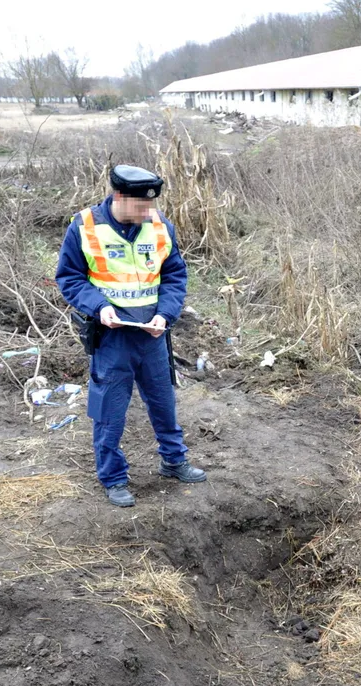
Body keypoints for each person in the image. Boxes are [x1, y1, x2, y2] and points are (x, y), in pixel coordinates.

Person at [55, 165, 207, 507]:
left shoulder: (159, 226)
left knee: (163, 402)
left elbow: (174, 276)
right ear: (119, 197)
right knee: (109, 410)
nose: (147, 213)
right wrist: (97, 307)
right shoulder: (84, 226)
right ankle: (113, 477)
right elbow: (69, 278)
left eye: (150, 206)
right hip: (111, 338)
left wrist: (165, 315)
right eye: (140, 206)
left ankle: (173, 460)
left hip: (152, 335)